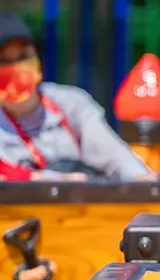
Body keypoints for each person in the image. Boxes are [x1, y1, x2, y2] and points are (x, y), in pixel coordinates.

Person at [0, 14, 151, 181]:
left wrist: (143, 179)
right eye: (4, 61)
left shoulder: (70, 103)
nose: (16, 68)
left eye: (23, 57)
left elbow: (114, 155)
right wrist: (52, 180)